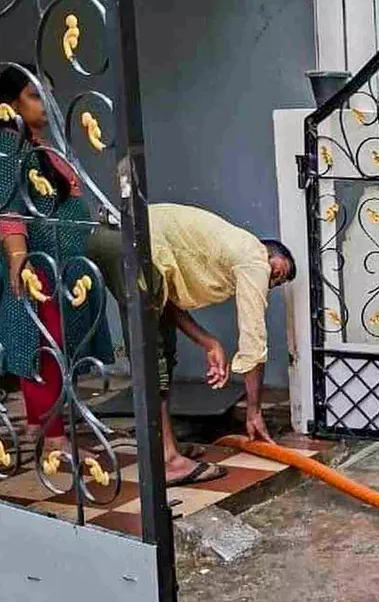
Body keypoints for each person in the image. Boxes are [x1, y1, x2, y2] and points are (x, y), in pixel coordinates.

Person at [113, 202, 297, 486]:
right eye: (277, 272)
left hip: (124, 234)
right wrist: (254, 410)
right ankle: (169, 461)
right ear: (267, 251)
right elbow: (253, 343)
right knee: (153, 356)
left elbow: (168, 305)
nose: (271, 281)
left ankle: (164, 446)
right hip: (127, 237)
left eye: (277, 282)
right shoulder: (254, 257)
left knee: (161, 351)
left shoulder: (223, 250)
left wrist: (210, 343)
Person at [0, 65, 115, 457]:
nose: (46, 104)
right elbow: (8, 207)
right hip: (41, 267)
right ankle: (55, 441)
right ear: (10, 105)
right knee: (45, 349)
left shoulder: (37, 144)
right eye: (35, 95)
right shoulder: (11, 147)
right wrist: (19, 259)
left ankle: (39, 425)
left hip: (63, 267)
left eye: (48, 94)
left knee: (50, 345)